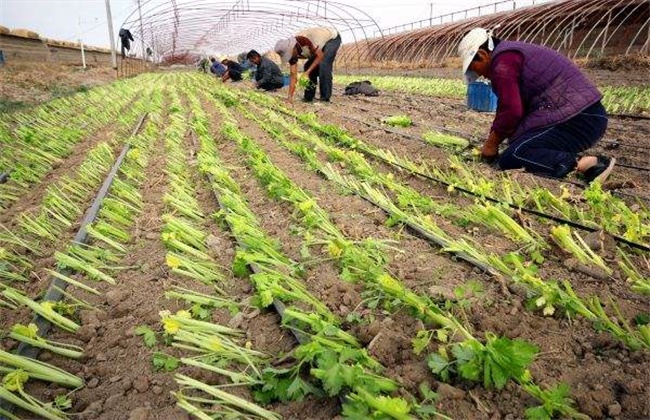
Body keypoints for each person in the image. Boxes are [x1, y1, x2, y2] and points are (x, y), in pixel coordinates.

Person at [458, 28, 615, 184]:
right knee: (518, 143)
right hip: (585, 116)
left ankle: (588, 164)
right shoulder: (511, 53)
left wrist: (491, 144)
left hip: (579, 119)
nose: (479, 75)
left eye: (474, 68)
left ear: (483, 55)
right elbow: (513, 110)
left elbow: (511, 111)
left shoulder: (503, 61)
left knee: (513, 156)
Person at [273, 27, 342, 103]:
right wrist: (290, 97)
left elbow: (320, 56)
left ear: (293, 48)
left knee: (324, 65)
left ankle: (325, 99)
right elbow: (293, 75)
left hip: (331, 38)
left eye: (289, 54)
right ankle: (308, 97)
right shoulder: (292, 54)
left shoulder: (305, 40)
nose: (289, 56)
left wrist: (307, 72)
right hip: (318, 47)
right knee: (307, 66)